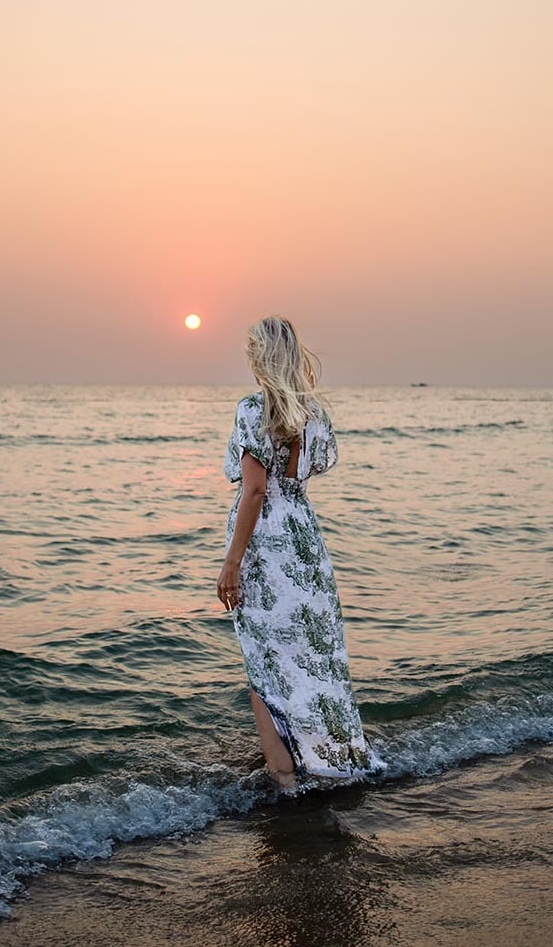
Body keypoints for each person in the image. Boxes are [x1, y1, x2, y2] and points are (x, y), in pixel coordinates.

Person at [217, 315, 376, 792]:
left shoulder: (252, 410)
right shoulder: (313, 415)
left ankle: (284, 776)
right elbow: (295, 481)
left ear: (260, 356)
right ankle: (330, 763)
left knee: (266, 663)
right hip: (304, 540)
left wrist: (231, 562)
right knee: (315, 658)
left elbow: (256, 492)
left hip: (266, 547)